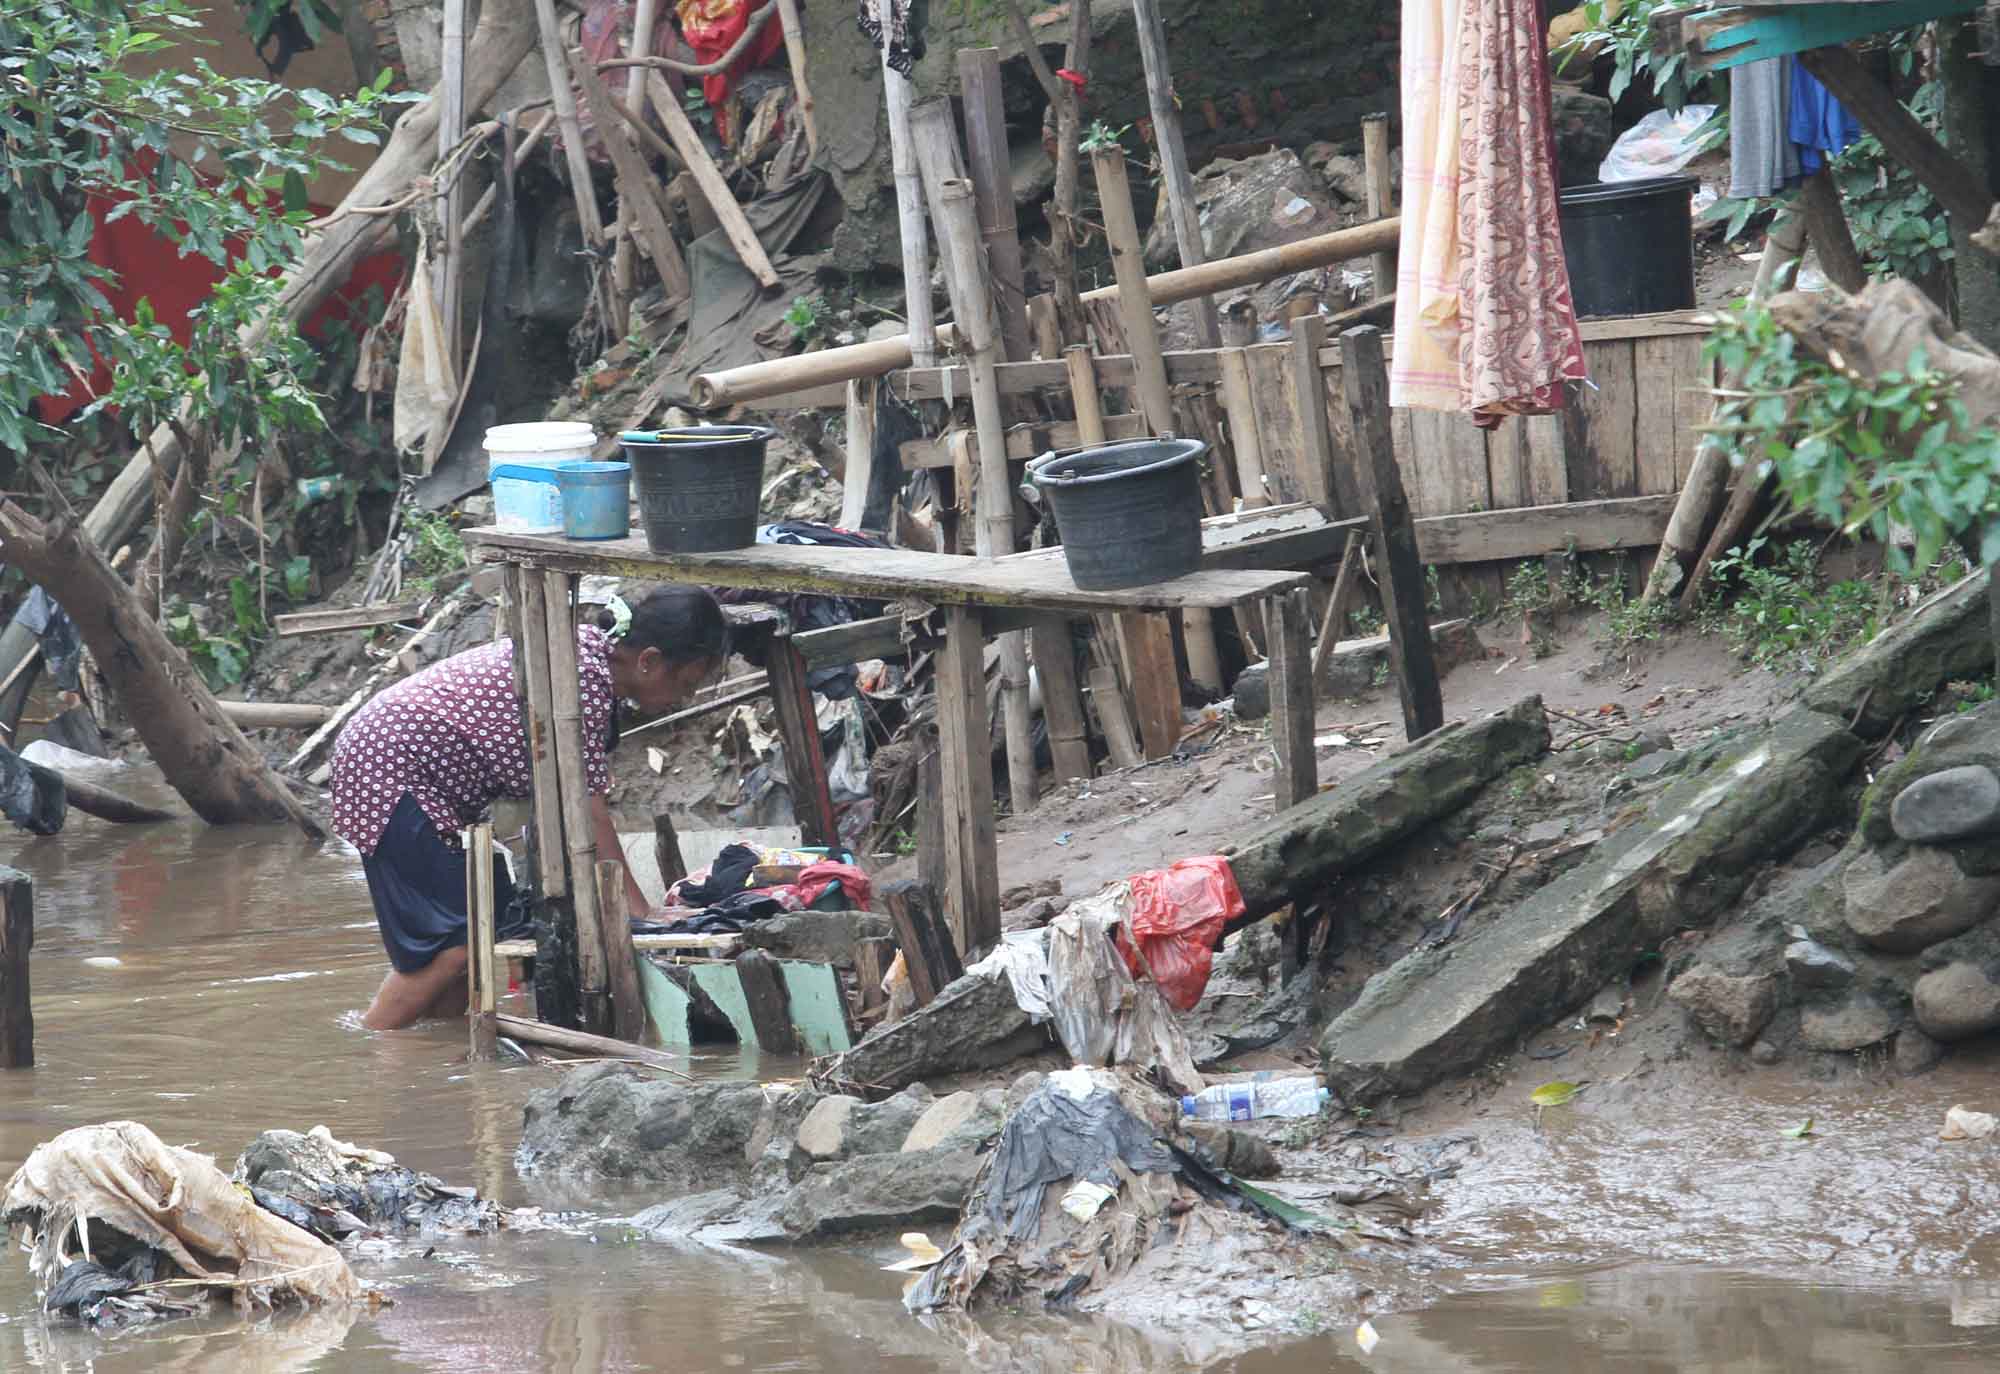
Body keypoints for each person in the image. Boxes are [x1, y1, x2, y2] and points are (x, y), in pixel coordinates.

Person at [331, 585, 727, 1030]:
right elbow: (588, 813)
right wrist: (642, 914)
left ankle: (431, 1062)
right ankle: (374, 1049)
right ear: (649, 661)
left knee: (467, 953)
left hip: (399, 764)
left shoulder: (587, 662)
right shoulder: (582, 682)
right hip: (390, 768)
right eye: (687, 683)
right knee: (452, 946)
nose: (686, 698)